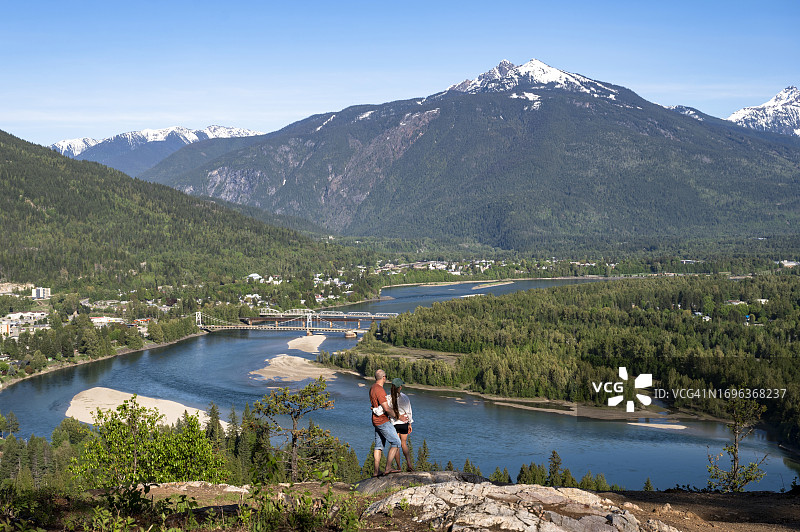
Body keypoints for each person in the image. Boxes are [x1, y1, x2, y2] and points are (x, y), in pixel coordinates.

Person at [369, 369, 407, 476]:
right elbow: (386, 408)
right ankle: (388, 468)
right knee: (396, 442)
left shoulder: (372, 388)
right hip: (383, 421)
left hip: (375, 420)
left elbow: (376, 405)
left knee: (378, 446)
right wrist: (399, 417)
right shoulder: (380, 390)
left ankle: (376, 472)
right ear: (384, 377)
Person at [387, 377, 415, 472]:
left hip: (393, 423)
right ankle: (409, 464)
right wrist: (410, 424)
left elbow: (387, 411)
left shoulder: (389, 398)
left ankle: (399, 467)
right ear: (400, 387)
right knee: (404, 444)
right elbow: (409, 412)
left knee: (396, 445)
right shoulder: (405, 397)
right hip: (404, 424)